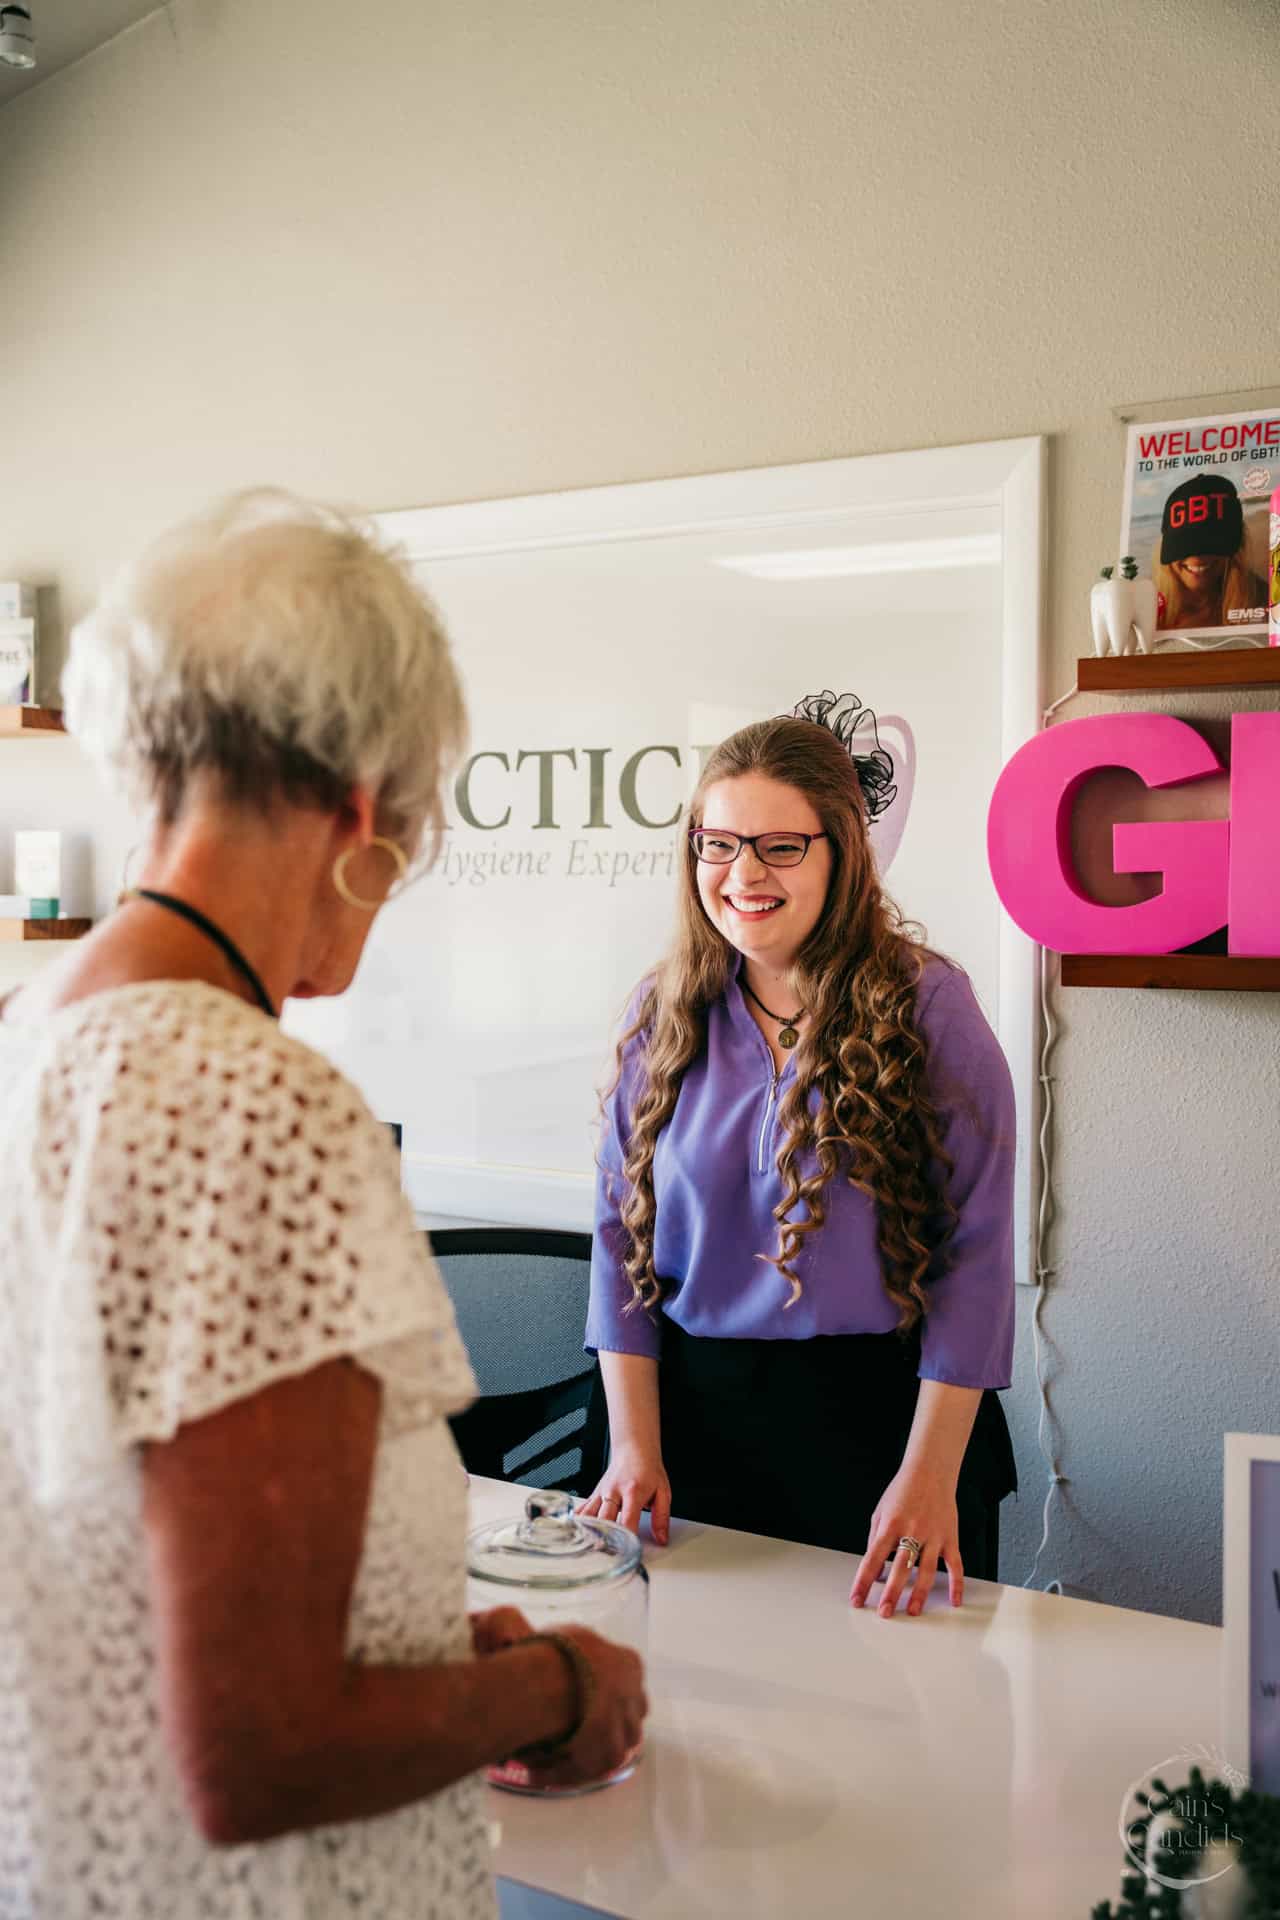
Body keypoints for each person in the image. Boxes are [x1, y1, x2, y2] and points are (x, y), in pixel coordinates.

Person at [0, 491, 646, 1920]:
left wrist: (414, 1642)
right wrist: (555, 1686)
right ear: (360, 808)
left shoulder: (27, 1043)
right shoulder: (255, 1105)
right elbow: (260, 1754)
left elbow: (107, 1560)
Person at [580, 691, 1017, 1621]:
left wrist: (930, 1474)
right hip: (680, 1424)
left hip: (882, 1430)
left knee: (895, 1731)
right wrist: (631, 1444)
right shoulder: (660, 1011)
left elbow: (975, 1254)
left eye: (781, 845)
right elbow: (618, 1239)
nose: (745, 872)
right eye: (718, 842)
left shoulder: (930, 1006)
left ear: (842, 854)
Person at [1152, 473, 1267, 632]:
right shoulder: (1147, 610)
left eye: (1210, 542)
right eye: (1185, 544)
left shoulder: (1266, 602)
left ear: (1237, 545)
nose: (1197, 556)